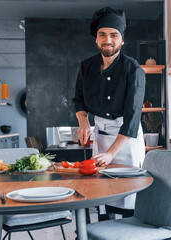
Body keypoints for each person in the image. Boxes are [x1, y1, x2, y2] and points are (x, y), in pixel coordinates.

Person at [72, 7, 146, 215]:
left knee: (128, 194)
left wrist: (112, 153)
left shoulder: (133, 70)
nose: (108, 40)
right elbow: (79, 100)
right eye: (102, 34)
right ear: (96, 39)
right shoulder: (87, 67)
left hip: (126, 140)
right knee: (103, 192)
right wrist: (83, 121)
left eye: (114, 35)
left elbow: (132, 118)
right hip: (100, 135)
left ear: (122, 40)